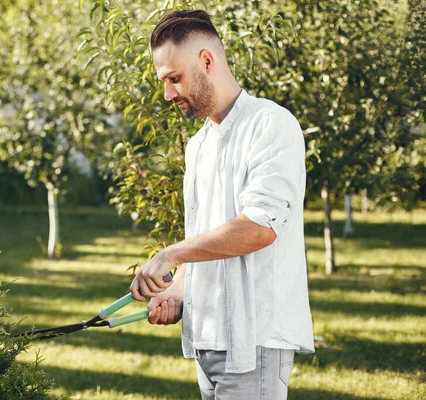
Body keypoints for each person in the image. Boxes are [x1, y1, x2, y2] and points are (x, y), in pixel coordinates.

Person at [128, 10, 315, 400]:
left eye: (173, 78)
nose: (167, 94)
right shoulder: (198, 146)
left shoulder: (270, 124)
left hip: (255, 342)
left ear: (207, 61)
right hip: (207, 342)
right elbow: (205, 240)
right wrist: (179, 290)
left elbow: (259, 228)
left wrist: (169, 255)